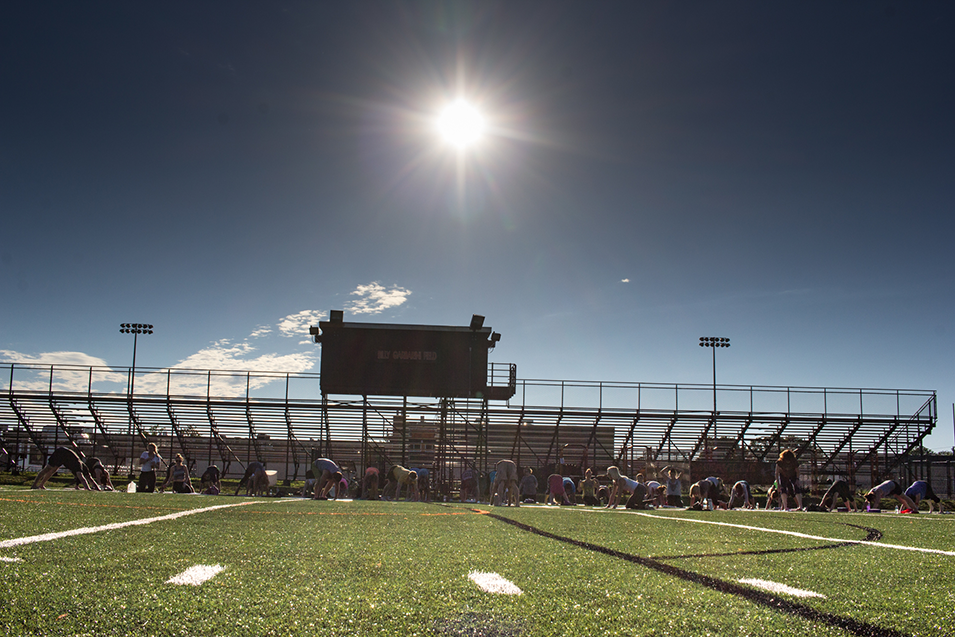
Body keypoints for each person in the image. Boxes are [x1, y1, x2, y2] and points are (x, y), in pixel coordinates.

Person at [32, 446, 99, 490]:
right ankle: (34, 485)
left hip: (65, 457)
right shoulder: (78, 466)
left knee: (53, 470)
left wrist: (97, 487)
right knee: (48, 469)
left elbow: (89, 478)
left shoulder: (84, 467)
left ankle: (41, 485)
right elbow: (82, 479)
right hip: (61, 453)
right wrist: (88, 488)